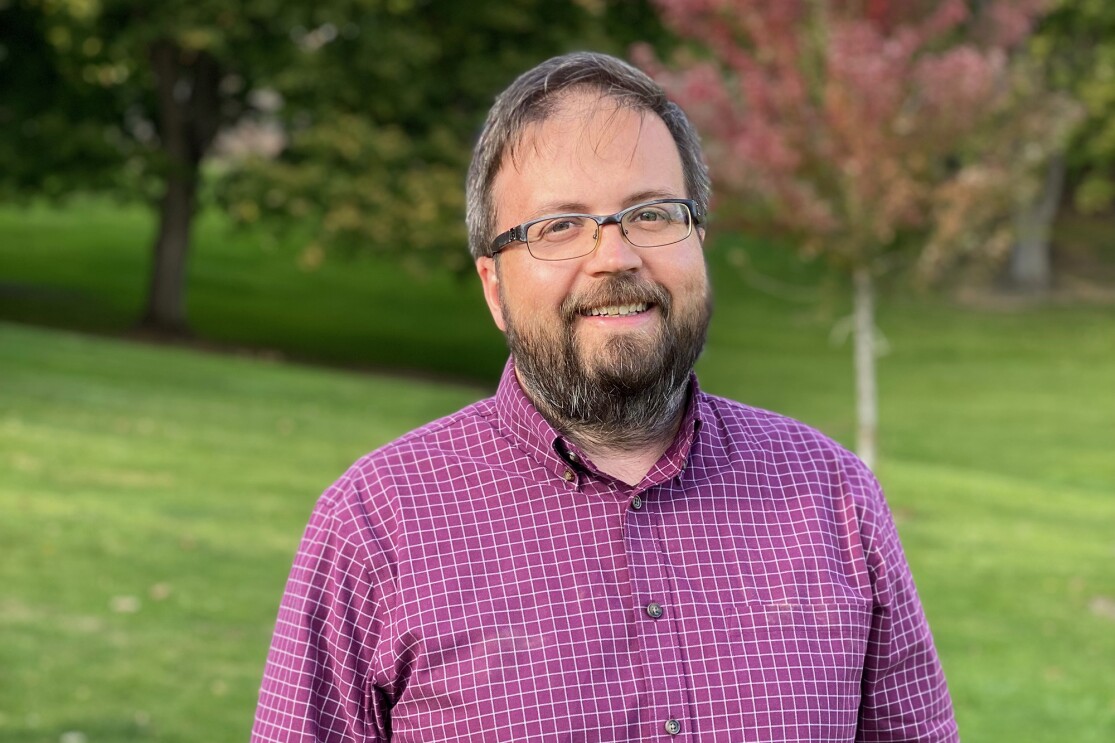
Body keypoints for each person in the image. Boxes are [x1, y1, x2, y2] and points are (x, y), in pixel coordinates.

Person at [252, 51, 958, 742]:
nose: (614, 256)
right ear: (493, 285)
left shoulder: (831, 496)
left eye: (651, 214)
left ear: (697, 241)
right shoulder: (377, 525)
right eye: (559, 226)